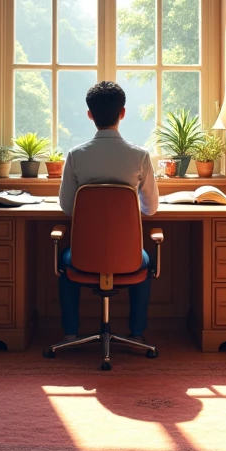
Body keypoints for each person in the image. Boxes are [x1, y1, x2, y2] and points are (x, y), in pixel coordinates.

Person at [58, 80, 159, 342]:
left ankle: (70, 333)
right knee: (144, 261)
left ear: (90, 115)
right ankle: (136, 334)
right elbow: (151, 209)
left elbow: (68, 208)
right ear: (122, 113)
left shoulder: (76, 155)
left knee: (64, 261)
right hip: (128, 258)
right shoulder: (139, 156)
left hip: (83, 257)